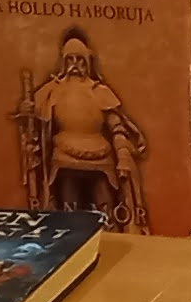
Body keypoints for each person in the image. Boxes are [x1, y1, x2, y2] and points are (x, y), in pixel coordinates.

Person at [16, 27, 151, 230]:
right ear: (63, 62)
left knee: (106, 207)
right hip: (65, 158)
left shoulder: (100, 91)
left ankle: (110, 238)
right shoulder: (52, 90)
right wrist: (26, 109)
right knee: (69, 208)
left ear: (88, 62)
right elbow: (33, 121)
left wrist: (123, 155)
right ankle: (72, 240)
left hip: (101, 158)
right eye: (70, 59)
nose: (75, 65)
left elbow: (117, 127)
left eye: (80, 60)